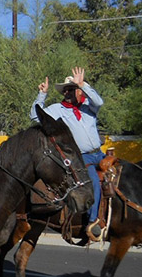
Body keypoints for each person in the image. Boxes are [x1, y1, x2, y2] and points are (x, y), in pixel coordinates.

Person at [30, 67, 105, 240]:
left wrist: (83, 84)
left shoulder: (88, 106)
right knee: (93, 181)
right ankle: (93, 222)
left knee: (122, 172)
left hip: (98, 153)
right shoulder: (58, 109)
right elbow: (35, 117)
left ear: (79, 91)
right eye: (65, 90)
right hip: (81, 156)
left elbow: (99, 102)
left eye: (71, 89)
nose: (68, 92)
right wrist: (42, 95)